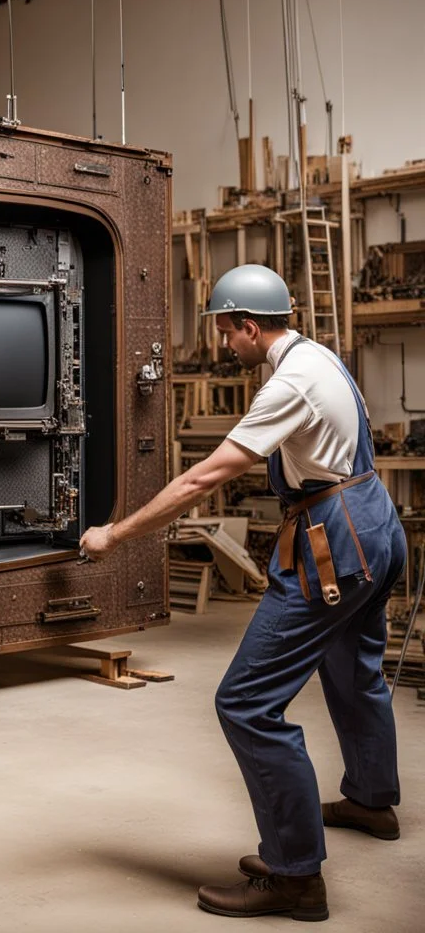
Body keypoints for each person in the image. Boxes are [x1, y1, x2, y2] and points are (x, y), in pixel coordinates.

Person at [79, 264, 404, 922]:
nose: (225, 346)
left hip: (336, 539)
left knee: (247, 703)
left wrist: (115, 536)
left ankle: (294, 877)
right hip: (376, 523)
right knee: (353, 669)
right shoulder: (319, 357)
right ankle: (371, 800)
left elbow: (203, 479)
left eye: (227, 334)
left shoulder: (289, 382)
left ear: (249, 327)